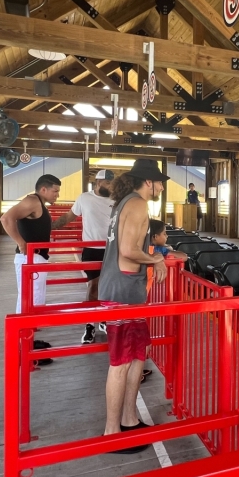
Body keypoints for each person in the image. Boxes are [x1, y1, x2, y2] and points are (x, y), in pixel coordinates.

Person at [99, 159, 169, 453]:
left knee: (136, 356)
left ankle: (129, 419)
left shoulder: (123, 202)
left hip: (125, 288)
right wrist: (157, 258)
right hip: (123, 291)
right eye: (160, 182)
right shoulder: (139, 204)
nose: (163, 187)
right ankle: (112, 431)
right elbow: (128, 251)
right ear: (148, 182)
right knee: (121, 362)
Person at [51, 169, 116, 343]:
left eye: (112, 183)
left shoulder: (117, 199)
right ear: (98, 183)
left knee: (109, 287)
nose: (111, 186)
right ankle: (90, 325)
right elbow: (69, 217)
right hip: (92, 249)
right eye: (107, 183)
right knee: (93, 286)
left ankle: (104, 319)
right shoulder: (85, 198)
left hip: (112, 249)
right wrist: (50, 227)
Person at [0, 174, 61, 315]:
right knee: (30, 297)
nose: (57, 195)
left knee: (35, 296)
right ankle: (24, 334)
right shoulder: (32, 201)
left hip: (37, 257)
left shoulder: (39, 203)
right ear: (44, 189)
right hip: (30, 256)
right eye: (55, 191)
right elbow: (6, 218)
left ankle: (30, 333)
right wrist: (21, 243)